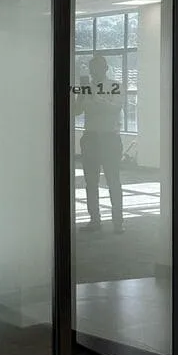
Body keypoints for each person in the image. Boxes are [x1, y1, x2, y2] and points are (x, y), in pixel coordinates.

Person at [75, 53, 124, 233]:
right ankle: (95, 220)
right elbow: (76, 111)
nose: (94, 71)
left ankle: (118, 222)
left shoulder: (115, 86)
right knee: (91, 182)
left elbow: (114, 108)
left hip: (110, 138)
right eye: (91, 68)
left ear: (105, 68)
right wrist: (81, 95)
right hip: (91, 138)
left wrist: (95, 96)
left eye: (97, 68)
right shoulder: (86, 89)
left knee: (113, 180)